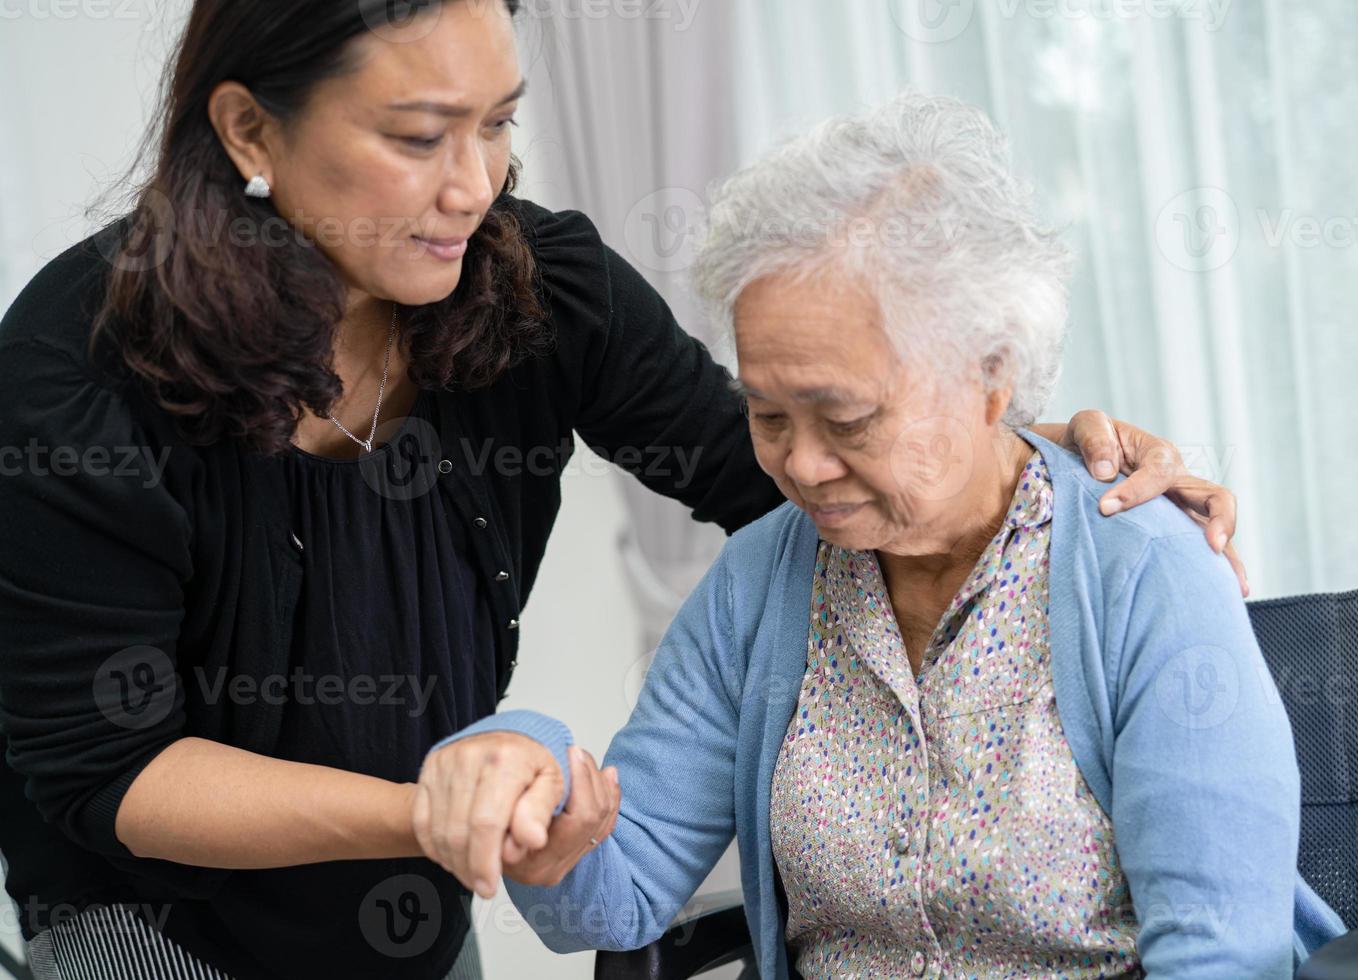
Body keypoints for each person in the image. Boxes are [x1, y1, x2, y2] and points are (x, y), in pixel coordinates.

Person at [0, 3, 1247, 977]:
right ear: (249, 130)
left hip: (409, 894)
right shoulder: (81, 369)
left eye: (498, 122)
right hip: (158, 910)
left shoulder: (536, 289)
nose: (475, 186)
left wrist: (1030, 445)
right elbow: (109, 771)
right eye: (419, 136)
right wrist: (479, 785)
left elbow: (771, 462)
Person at [485, 94, 1346, 978]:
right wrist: (527, 785)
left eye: (848, 419)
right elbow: (615, 891)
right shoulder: (758, 583)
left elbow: (1218, 956)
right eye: (768, 413)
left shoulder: (1143, 574)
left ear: (992, 376)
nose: (801, 465)